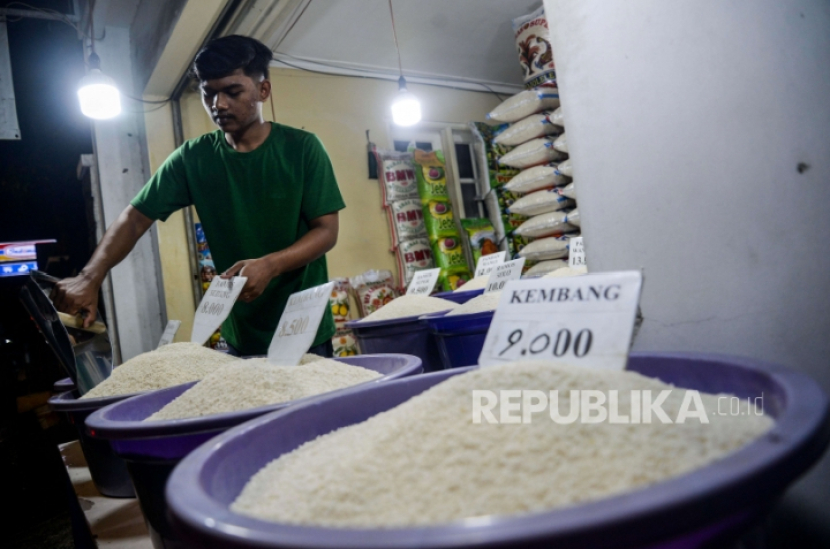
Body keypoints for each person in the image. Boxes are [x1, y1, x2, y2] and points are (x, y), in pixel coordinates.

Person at [51, 35, 345, 357]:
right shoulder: (193, 158)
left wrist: (271, 265)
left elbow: (326, 232)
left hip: (305, 329)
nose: (218, 104)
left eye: (232, 92)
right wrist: (90, 277)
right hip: (240, 335)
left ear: (263, 90)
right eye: (209, 93)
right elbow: (135, 219)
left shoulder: (302, 148)